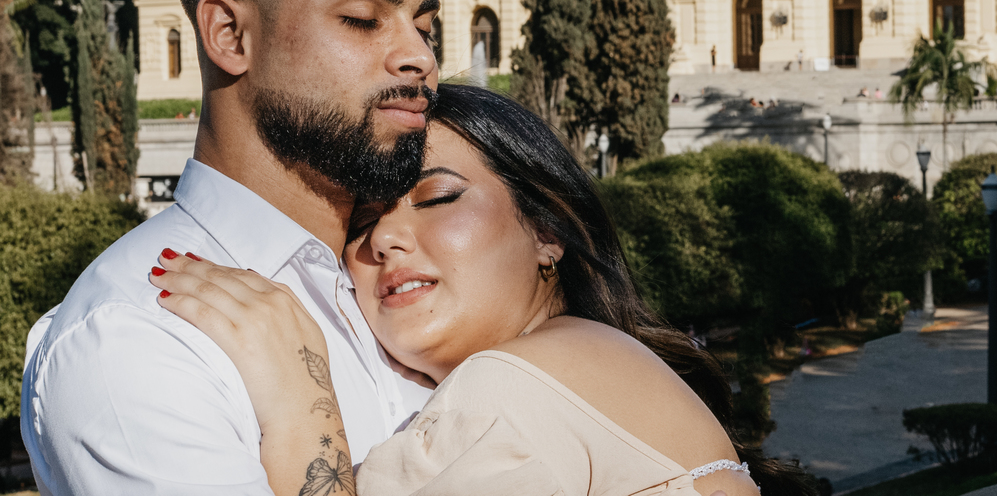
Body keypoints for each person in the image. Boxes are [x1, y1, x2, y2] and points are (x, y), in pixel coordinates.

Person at [152, 86, 815, 495]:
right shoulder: (590, 361)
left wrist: (302, 403)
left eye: (437, 197)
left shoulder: (516, 388)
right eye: (362, 220)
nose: (385, 238)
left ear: (548, 232)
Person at [21, 0, 441, 494]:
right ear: (229, 34)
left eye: (425, 25)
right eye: (362, 17)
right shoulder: (139, 336)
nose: (421, 57)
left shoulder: (409, 287)